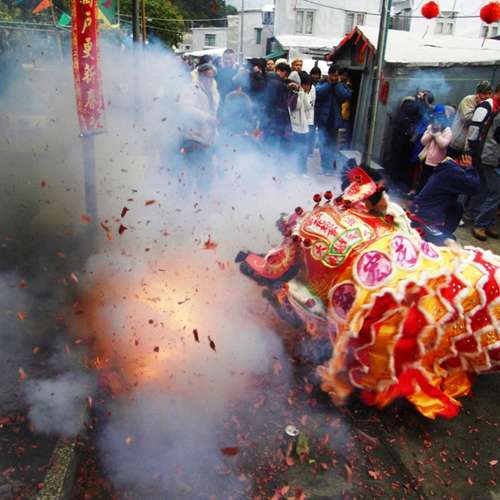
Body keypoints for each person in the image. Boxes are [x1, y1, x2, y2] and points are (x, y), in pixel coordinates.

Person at [411, 155, 479, 241]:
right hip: (424, 218)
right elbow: (474, 187)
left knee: (457, 207)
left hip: (423, 212)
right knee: (449, 241)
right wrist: (470, 168)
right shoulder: (452, 171)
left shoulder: (449, 167)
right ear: (464, 160)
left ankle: (443, 233)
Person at [179, 62, 219, 190]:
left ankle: (202, 197)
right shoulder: (190, 89)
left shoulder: (213, 91)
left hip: (208, 139)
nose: (210, 81)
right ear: (201, 76)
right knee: (194, 173)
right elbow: (185, 108)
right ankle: (188, 197)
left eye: (212, 77)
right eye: (207, 77)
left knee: (206, 173)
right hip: (193, 138)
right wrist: (206, 118)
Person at [389, 90, 434, 193]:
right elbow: (414, 109)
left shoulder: (422, 105)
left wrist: (425, 101)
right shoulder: (409, 102)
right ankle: (392, 184)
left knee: (404, 162)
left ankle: (399, 185)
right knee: (396, 160)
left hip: (408, 137)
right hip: (400, 134)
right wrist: (421, 100)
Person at [315, 65, 352, 174]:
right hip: (323, 119)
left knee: (332, 144)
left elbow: (345, 96)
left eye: (336, 76)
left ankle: (329, 167)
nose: (334, 78)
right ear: (329, 74)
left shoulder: (342, 85)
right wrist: (329, 83)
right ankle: (324, 165)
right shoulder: (322, 83)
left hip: (335, 120)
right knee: (323, 143)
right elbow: (318, 93)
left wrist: (337, 84)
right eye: (332, 75)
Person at [470, 109, 500, 241]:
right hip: (492, 157)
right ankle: (481, 224)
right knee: (496, 192)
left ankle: (484, 221)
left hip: (488, 155)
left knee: (485, 189)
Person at [448, 81, 492, 159]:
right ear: (478, 93)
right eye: (484, 93)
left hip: (471, 144)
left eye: (489, 93)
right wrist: (479, 106)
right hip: (458, 142)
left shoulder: (488, 103)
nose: (487, 96)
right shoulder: (468, 100)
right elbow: (466, 118)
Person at [416, 104, 453, 192]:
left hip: (438, 163)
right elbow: (423, 142)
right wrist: (431, 132)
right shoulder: (431, 127)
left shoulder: (448, 131)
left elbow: (442, 145)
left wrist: (437, 134)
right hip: (427, 160)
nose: (438, 121)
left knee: (432, 186)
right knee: (422, 182)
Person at [262, 61, 292, 152]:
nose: (285, 77)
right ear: (282, 72)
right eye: (286, 74)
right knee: (273, 145)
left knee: (269, 145)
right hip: (274, 119)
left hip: (271, 118)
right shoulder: (276, 83)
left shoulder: (271, 80)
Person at [288, 71, 315, 172]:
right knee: (295, 149)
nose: (308, 87)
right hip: (294, 127)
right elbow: (296, 106)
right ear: (301, 84)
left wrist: (304, 93)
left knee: (303, 150)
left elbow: (308, 106)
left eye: (309, 85)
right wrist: (299, 92)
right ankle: (292, 169)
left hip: (303, 127)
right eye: (307, 84)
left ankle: (302, 170)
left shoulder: (305, 93)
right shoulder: (293, 92)